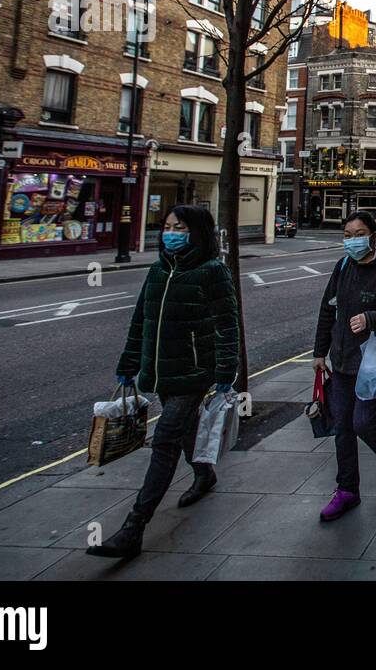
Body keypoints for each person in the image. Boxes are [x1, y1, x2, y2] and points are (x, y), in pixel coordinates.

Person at [89, 205, 239, 560]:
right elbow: (140, 320)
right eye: (167, 226)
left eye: (180, 227)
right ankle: (204, 475)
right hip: (159, 372)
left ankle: (134, 527)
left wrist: (224, 373)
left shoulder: (212, 271)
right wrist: (128, 363)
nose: (171, 233)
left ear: (197, 232)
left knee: (165, 440)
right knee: (184, 430)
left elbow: (226, 325)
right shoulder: (158, 270)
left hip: (193, 372)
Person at [314, 210, 376, 521]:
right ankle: (347, 491)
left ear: (373, 236)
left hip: (374, 366)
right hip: (342, 362)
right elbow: (327, 310)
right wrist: (319, 353)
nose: (352, 240)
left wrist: (374, 318)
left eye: (358, 234)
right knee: (342, 428)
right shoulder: (343, 266)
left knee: (362, 423)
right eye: (347, 235)